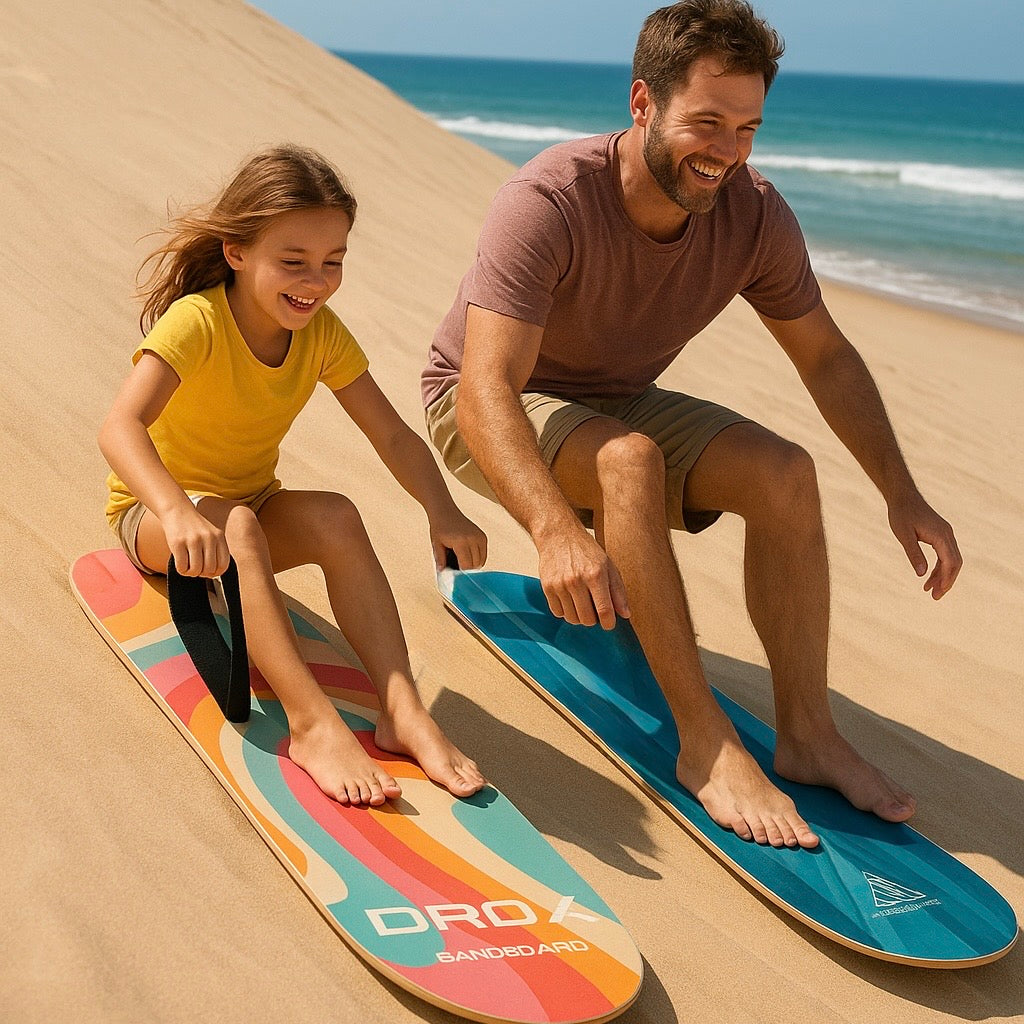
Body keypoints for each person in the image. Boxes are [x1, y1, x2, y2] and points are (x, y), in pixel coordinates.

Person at [422, 0, 962, 849]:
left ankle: (808, 733)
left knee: (784, 472)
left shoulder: (753, 214)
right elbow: (487, 385)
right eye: (707, 123)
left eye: (747, 128)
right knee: (628, 461)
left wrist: (903, 493)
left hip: (615, 400)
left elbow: (826, 357)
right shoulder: (550, 199)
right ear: (643, 103)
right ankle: (705, 743)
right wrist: (555, 530)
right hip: (480, 407)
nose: (727, 151)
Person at [101, 144, 487, 808]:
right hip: (159, 522)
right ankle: (311, 725)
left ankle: (402, 709)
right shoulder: (198, 322)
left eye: (333, 261)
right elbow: (120, 427)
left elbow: (392, 434)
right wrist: (174, 510)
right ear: (237, 252)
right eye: (294, 261)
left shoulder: (320, 334)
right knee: (238, 525)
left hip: (248, 511)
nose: (316, 280)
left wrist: (441, 509)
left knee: (336, 516)